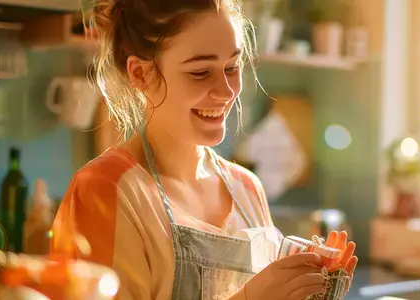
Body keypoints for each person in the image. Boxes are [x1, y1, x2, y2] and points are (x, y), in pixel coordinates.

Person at [50, 0, 359, 299]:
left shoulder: (247, 189)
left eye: (232, 67)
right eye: (200, 72)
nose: (227, 92)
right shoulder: (105, 190)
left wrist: (312, 287)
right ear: (140, 74)